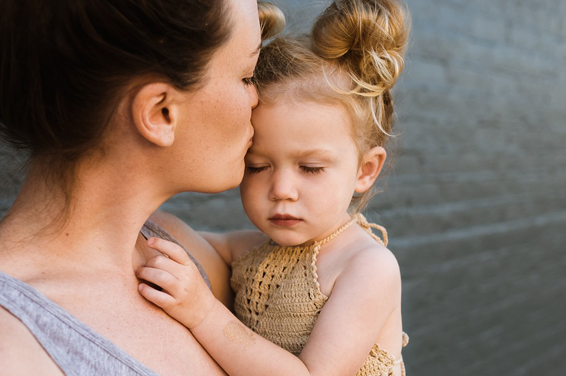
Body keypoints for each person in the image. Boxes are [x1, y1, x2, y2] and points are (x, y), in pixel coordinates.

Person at [0, 1, 283, 375]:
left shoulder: (177, 250)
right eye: (247, 76)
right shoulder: (14, 348)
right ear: (160, 112)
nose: (257, 98)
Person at [136, 0, 412, 375]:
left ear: (365, 170)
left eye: (310, 168)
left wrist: (203, 313)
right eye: (258, 166)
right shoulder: (252, 251)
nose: (281, 189)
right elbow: (175, 237)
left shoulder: (366, 267)